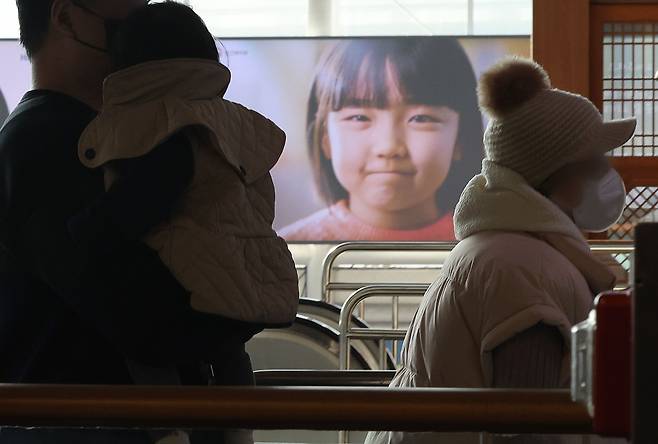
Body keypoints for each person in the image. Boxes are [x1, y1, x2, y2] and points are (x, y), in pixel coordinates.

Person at [0, 1, 275, 442]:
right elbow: (141, 318)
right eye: (127, 17)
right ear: (65, 17)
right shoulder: (43, 144)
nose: (142, 26)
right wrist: (239, 305)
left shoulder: (131, 132)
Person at [366, 58, 635, 444]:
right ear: (554, 174)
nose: (609, 177)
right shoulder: (522, 269)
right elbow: (526, 425)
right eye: (595, 164)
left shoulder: (507, 250)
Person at [279, 37, 484, 242]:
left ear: (460, 139)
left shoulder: (486, 251)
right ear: (326, 139)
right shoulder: (284, 252)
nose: (389, 147)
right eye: (359, 118)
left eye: (420, 119)